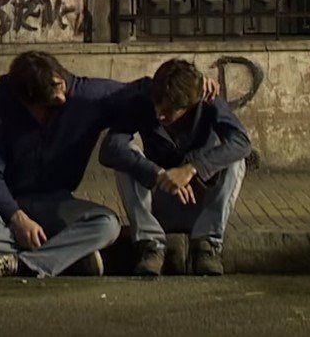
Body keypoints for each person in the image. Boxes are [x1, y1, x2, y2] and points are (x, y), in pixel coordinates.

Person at [0, 51, 218, 278]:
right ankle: (65, 256)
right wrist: (17, 218)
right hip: (10, 207)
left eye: (61, 90)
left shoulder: (87, 96)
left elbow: (144, 91)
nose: (60, 102)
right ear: (26, 101)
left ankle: (21, 263)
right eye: (48, 105)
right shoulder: (0, 105)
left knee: (107, 224)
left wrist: (194, 86)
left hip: (58, 205)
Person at [99, 58, 251, 276]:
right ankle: (151, 246)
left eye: (170, 110)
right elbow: (109, 148)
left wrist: (192, 169)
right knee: (125, 158)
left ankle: (207, 246)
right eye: (157, 106)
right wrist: (157, 173)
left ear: (190, 105)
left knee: (236, 159)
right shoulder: (142, 98)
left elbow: (242, 142)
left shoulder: (207, 100)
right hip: (160, 204)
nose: (160, 115)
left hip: (201, 204)